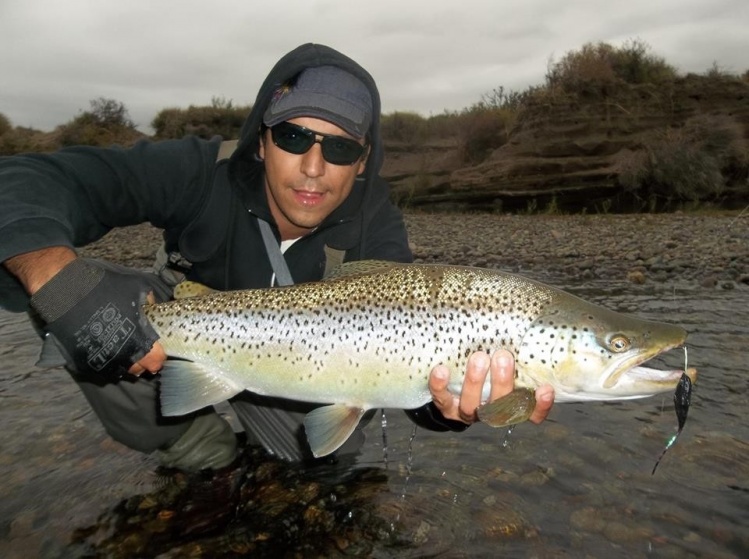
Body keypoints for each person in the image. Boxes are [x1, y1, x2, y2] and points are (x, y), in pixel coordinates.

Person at [0, 43, 554, 476]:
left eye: (339, 148)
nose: (314, 166)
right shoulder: (196, 170)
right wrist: (61, 283)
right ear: (261, 141)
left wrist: (451, 406)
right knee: (82, 305)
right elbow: (26, 178)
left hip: (303, 373)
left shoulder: (377, 227)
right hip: (176, 331)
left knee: (322, 460)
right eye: (293, 137)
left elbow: (410, 386)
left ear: (362, 162)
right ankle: (196, 450)